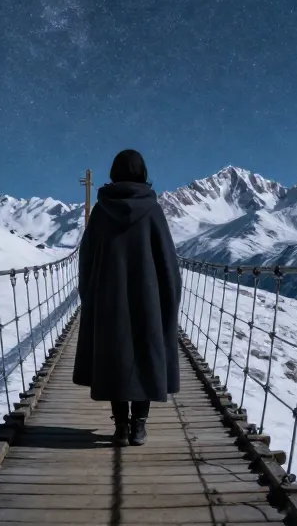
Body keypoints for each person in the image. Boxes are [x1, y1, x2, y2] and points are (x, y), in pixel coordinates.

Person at [72, 149, 182, 447]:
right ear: (143, 173)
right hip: (148, 300)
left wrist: (90, 298)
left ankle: (120, 427)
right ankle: (139, 427)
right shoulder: (153, 211)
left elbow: (87, 260)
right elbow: (168, 264)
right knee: (145, 354)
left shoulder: (101, 212)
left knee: (114, 357)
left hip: (109, 300)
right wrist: (170, 303)